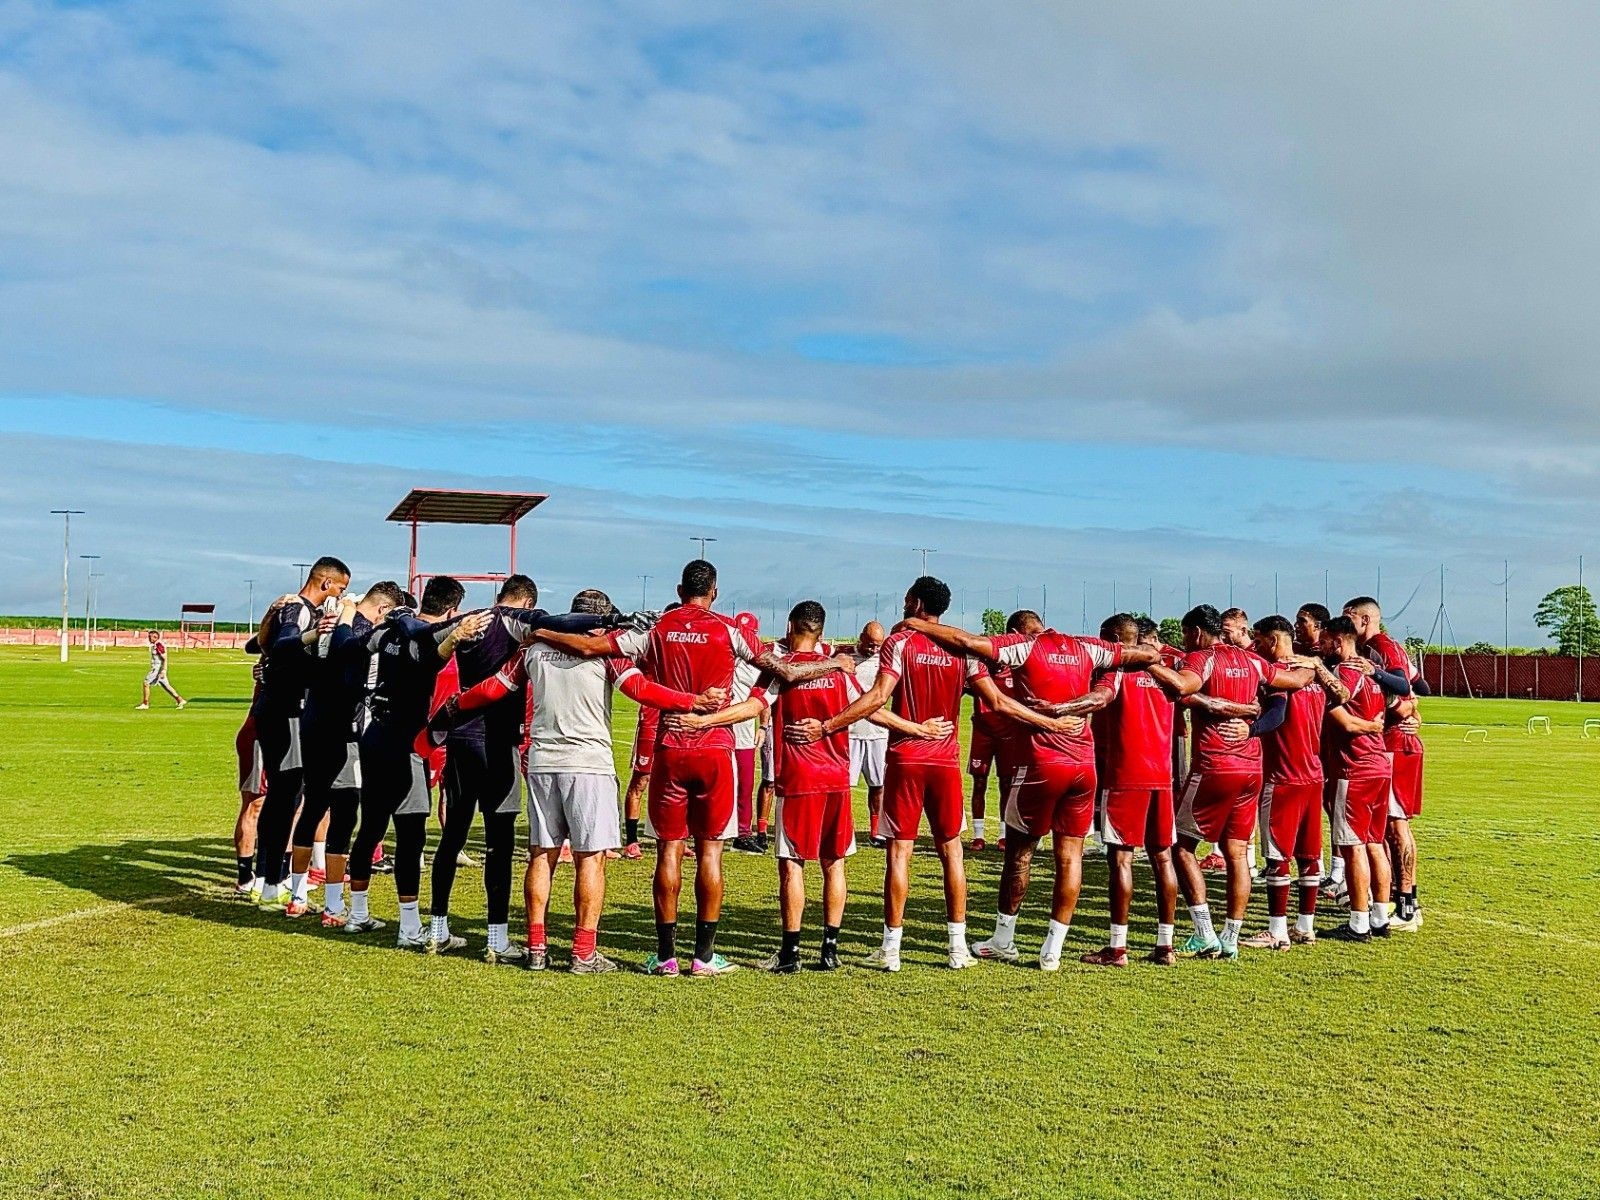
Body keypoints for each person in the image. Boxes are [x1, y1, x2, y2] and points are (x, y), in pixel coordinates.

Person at [525, 560, 852, 977]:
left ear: (680, 589)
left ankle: (665, 956)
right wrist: (834, 664)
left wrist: (541, 632)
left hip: (670, 746)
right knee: (710, 852)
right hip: (715, 749)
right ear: (713, 591)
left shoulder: (656, 628)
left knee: (668, 850)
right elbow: (786, 670)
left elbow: (590, 648)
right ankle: (704, 956)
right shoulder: (729, 629)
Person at [794, 581, 1097, 972]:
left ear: (916, 604)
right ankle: (957, 948)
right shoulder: (962, 650)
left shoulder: (901, 642)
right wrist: (1049, 722)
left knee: (899, 853)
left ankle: (890, 950)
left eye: (906, 600)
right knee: (952, 852)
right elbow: (999, 702)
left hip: (906, 759)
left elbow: (875, 699)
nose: (902, 606)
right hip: (946, 762)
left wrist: (828, 725)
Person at [433, 589, 723, 971]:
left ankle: (536, 948)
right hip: (588, 764)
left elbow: (495, 688)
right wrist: (692, 702)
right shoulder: (606, 653)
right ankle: (583, 952)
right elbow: (642, 690)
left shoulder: (533, 650)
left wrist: (457, 703)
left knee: (541, 855)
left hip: (542, 763)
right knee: (591, 860)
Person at [675, 601, 949, 973]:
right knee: (834, 864)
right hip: (836, 779)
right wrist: (918, 729)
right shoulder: (840, 671)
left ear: (790, 626)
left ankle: (790, 954)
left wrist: (704, 722)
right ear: (821, 631)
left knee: (792, 865)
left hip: (798, 779)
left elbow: (751, 709)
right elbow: (872, 708)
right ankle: (830, 950)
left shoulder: (783, 673)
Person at [896, 607, 1160, 970]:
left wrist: (919, 624)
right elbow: (1147, 655)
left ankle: (1004, 940)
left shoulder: (1025, 647)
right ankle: (1052, 951)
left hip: (1041, 764)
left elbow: (967, 641)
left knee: (1020, 854)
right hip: (1084, 766)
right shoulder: (1086, 648)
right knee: (1070, 857)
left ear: (1019, 631)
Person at [427, 577, 610, 958]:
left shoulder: (472, 619)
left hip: (461, 739)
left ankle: (437, 927)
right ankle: (497, 938)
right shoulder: (519, 619)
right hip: (496, 742)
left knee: (453, 834)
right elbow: (565, 624)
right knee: (500, 841)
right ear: (528, 600)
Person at [339, 578, 490, 946]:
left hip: (375, 734)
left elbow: (354, 647)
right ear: (452, 610)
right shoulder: (422, 637)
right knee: (410, 833)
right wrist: (455, 636)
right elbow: (432, 654)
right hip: (406, 742)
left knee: (371, 825)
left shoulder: (388, 630)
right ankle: (409, 929)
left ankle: (357, 914)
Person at [1170, 604, 1311, 960]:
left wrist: (1153, 664)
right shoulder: (1253, 661)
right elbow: (1295, 680)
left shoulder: (1202, 658)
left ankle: (1204, 932)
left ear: (1198, 633)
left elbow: (1183, 687)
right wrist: (1316, 665)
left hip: (1214, 764)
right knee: (1236, 852)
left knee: (1181, 847)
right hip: (1251, 768)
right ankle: (1231, 937)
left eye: (1187, 635)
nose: (1186, 642)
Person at [283, 582, 406, 923]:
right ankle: (334, 906)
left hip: (313, 723)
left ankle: (297, 896)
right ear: (383, 610)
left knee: (313, 808)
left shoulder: (328, 621)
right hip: (345, 731)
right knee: (344, 813)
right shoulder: (361, 632)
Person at [1079, 615, 1190, 966]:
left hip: (1124, 776)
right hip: (1162, 776)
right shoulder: (1169, 676)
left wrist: (1061, 710)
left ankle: (1117, 947)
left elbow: (1099, 699)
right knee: (1162, 857)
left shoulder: (1118, 671)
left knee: (1121, 858)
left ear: (1116, 639)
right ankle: (1165, 945)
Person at [1240, 615, 1351, 950]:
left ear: (1273, 641)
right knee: (1309, 855)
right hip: (1313, 775)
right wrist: (1319, 666)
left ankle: (1277, 931)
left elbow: (1276, 716)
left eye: (1258, 641)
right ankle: (1306, 927)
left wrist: (1251, 728)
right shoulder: (1315, 675)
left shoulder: (1282, 676)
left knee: (1277, 857)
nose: (1256, 647)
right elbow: (1342, 695)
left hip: (1283, 777)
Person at [247, 557, 352, 910]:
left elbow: (258, 647)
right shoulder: (300, 610)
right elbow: (281, 647)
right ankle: (271, 882)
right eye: (341, 588)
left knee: (287, 795)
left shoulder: (291, 607)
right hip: (285, 712)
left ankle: (265, 877)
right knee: (284, 795)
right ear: (326, 583)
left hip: (282, 710)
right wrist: (315, 634)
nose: (340, 596)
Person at [1344, 596, 1426, 932]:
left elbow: (1406, 687)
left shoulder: (1381, 646)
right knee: (1383, 828)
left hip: (1394, 746)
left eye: (1348, 617)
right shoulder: (1382, 647)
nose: (1344, 622)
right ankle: (1395, 898)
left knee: (1395, 825)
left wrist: (1404, 705)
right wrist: (1412, 706)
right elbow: (1420, 684)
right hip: (1389, 744)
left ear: (1364, 619)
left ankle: (1408, 906)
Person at [1320, 615, 1395, 943]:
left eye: (1325, 641)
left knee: (1352, 847)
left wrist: (1360, 725)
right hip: (1379, 767)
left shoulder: (1342, 673)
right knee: (1375, 844)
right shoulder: (1375, 675)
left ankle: (1358, 922)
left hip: (1355, 769)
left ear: (1337, 642)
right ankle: (1380, 917)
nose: (1321, 647)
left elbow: (1346, 719)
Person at [847, 622, 889, 846]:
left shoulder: (886, 659)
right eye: (871, 645)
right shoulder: (845, 657)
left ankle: (876, 832)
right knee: (845, 786)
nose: (874, 650)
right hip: (851, 732)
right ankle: (845, 828)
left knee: (878, 784)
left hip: (877, 733)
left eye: (878, 646)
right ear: (861, 637)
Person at [730, 612, 766, 854]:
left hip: (743, 731)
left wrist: (763, 726)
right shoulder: (722, 654)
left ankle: (743, 833)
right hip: (717, 729)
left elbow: (766, 696)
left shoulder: (757, 664)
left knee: (744, 784)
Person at [232, 664, 267, 895]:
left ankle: (266, 872)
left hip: (276, 734)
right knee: (254, 804)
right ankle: (245, 877)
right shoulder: (279, 657)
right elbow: (253, 644)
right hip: (260, 735)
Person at [137, 629, 185, 710]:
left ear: (155, 637)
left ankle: (145, 703)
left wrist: (164, 670)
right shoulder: (156, 645)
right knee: (166, 686)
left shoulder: (159, 645)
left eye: (150, 637)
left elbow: (165, 658)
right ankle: (180, 700)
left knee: (146, 683)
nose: (149, 638)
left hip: (157, 669)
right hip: (158, 669)